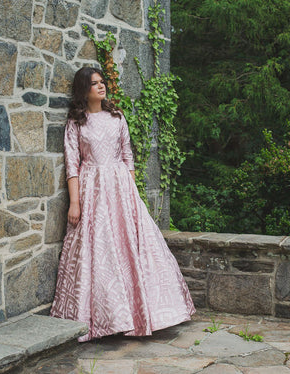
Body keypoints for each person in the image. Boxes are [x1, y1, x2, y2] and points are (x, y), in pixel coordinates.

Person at [50, 67, 195, 342]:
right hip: (92, 187)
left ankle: (145, 313)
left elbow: (128, 156)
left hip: (121, 187)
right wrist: (75, 202)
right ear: (84, 90)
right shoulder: (76, 123)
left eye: (102, 82)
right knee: (100, 250)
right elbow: (72, 164)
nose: (101, 87)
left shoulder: (117, 117)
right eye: (94, 84)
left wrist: (133, 194)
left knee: (132, 246)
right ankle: (108, 317)